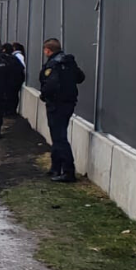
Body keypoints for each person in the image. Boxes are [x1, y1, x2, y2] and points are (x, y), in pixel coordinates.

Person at [40, 38, 86, 183]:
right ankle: (55, 167)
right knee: (58, 135)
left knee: (59, 138)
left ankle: (68, 172)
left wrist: (44, 95)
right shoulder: (68, 61)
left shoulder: (53, 64)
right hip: (69, 103)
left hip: (56, 104)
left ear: (48, 50)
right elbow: (80, 78)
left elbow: (50, 84)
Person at [1, 43, 25, 116]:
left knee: (8, 97)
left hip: (9, 81)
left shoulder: (4, 58)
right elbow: (21, 68)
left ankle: (7, 112)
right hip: (16, 81)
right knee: (13, 97)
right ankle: (11, 112)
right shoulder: (15, 58)